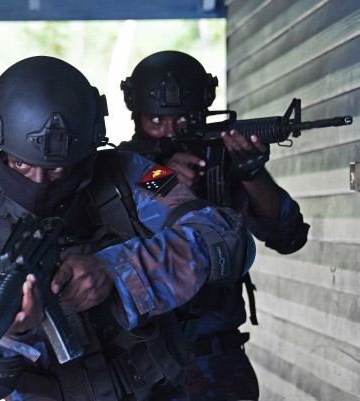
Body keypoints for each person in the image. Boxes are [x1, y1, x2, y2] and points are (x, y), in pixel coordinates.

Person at [0, 55, 255, 401]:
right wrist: (14, 333)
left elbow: (230, 239)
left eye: (58, 169)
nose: (40, 181)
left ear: (86, 153)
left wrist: (117, 272)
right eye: (21, 164)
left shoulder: (132, 174)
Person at [119, 50, 310, 401]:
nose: (171, 131)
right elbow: (124, 224)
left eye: (183, 120)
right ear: (136, 115)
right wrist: (167, 182)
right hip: (144, 361)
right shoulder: (125, 166)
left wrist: (250, 173)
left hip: (214, 358)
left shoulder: (217, 160)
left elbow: (288, 235)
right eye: (156, 121)